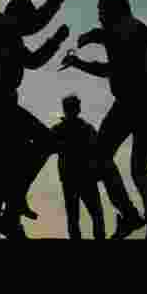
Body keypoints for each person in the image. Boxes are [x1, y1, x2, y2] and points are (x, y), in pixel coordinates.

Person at [59, 0, 147, 240]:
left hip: (137, 105)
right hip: (141, 105)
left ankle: (139, 217)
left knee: (111, 162)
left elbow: (122, 54)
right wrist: (86, 51)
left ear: (114, 12)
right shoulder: (122, 33)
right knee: (136, 169)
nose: (99, 17)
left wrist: (92, 40)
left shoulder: (127, 29)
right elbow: (112, 60)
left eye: (102, 12)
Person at [0, 0, 71, 238]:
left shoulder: (9, 37)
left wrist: (55, 40)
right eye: (26, 19)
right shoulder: (2, 29)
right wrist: (57, 1)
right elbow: (35, 24)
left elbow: (34, 60)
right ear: (18, 16)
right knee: (48, 141)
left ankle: (13, 208)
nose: (29, 26)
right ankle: (16, 199)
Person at [51, 94, 105, 240]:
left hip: (72, 178)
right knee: (95, 214)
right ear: (78, 108)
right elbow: (98, 151)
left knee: (74, 215)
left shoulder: (59, 130)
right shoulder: (86, 129)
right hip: (85, 177)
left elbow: (49, 146)